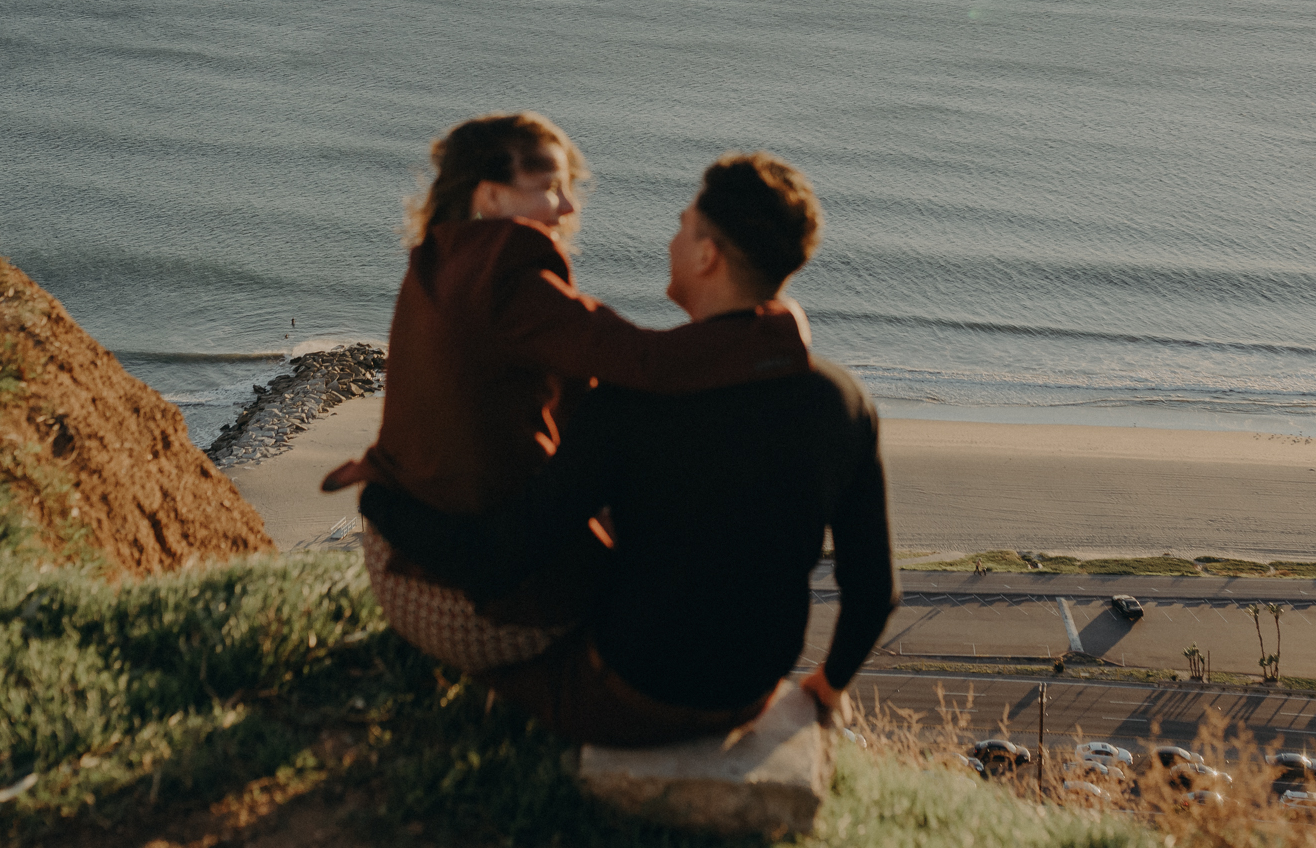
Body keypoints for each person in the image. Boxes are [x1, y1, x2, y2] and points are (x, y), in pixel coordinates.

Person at [361, 151, 898, 747]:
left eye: (681, 225)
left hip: (629, 695)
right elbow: (875, 591)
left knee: (492, 664)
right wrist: (826, 687)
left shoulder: (632, 402)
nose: (671, 239)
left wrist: (387, 508)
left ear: (706, 255)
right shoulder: (843, 400)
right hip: (750, 689)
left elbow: (505, 556)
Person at [322, 113, 813, 676]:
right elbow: (645, 360)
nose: (567, 208)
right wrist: (775, 331)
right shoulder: (510, 270)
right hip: (476, 606)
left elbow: (578, 387)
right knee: (681, 592)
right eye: (549, 189)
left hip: (400, 566)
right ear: (492, 196)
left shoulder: (441, 256)